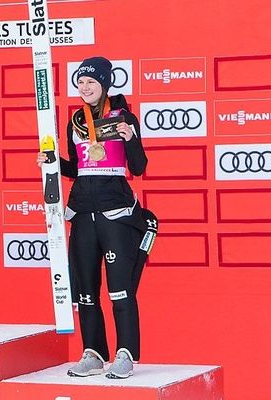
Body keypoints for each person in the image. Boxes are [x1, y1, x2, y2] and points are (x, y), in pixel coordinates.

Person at [37, 57, 158, 378]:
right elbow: (77, 168)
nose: (85, 88)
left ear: (105, 84)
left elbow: (139, 167)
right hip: (82, 210)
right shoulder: (75, 120)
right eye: (80, 83)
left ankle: (126, 354)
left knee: (120, 291)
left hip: (115, 210)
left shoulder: (122, 117)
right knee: (86, 291)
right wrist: (53, 163)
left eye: (91, 82)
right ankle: (92, 352)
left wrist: (130, 137)